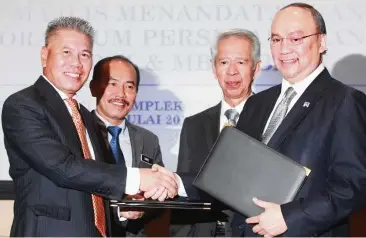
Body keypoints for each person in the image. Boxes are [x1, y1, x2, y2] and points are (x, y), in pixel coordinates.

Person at [1, 16, 177, 237]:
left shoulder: (84, 115)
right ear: (44, 55)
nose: (76, 63)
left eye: (84, 55)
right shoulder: (23, 105)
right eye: (66, 52)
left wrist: (124, 208)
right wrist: (137, 178)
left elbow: (93, 184)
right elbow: (62, 167)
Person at [233, 2, 366, 237]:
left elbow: (351, 187)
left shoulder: (345, 101)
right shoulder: (256, 103)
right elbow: (233, 171)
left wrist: (291, 217)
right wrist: (172, 181)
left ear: (322, 42)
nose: (284, 49)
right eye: (276, 40)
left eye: (295, 39)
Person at [169, 29, 262, 237]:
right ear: (214, 69)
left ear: (256, 69)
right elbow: (184, 195)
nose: (232, 71)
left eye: (241, 62)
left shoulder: (271, 119)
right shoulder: (193, 125)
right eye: (223, 63)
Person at [89, 55, 166, 236]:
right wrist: (118, 210)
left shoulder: (149, 140)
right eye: (112, 83)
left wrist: (144, 206)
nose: (121, 94)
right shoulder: (79, 132)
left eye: (129, 86)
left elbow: (159, 199)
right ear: (94, 88)